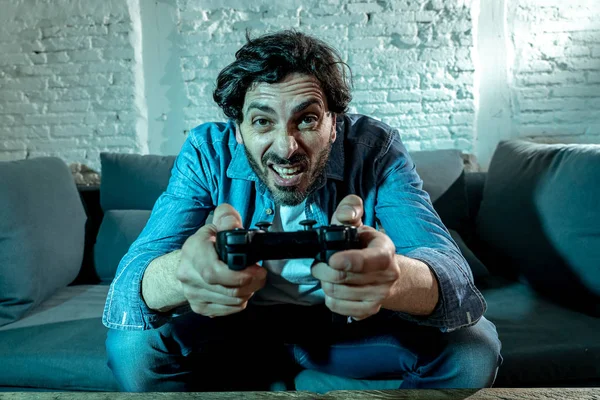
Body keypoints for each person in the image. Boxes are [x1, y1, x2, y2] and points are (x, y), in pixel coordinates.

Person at [102, 29, 502, 392]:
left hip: (346, 330)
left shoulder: (376, 149)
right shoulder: (206, 150)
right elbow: (131, 282)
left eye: (307, 119)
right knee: (133, 351)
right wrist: (184, 274)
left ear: (334, 122)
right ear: (237, 128)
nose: (285, 147)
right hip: (234, 328)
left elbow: (451, 275)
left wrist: (392, 278)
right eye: (262, 121)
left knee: (472, 352)